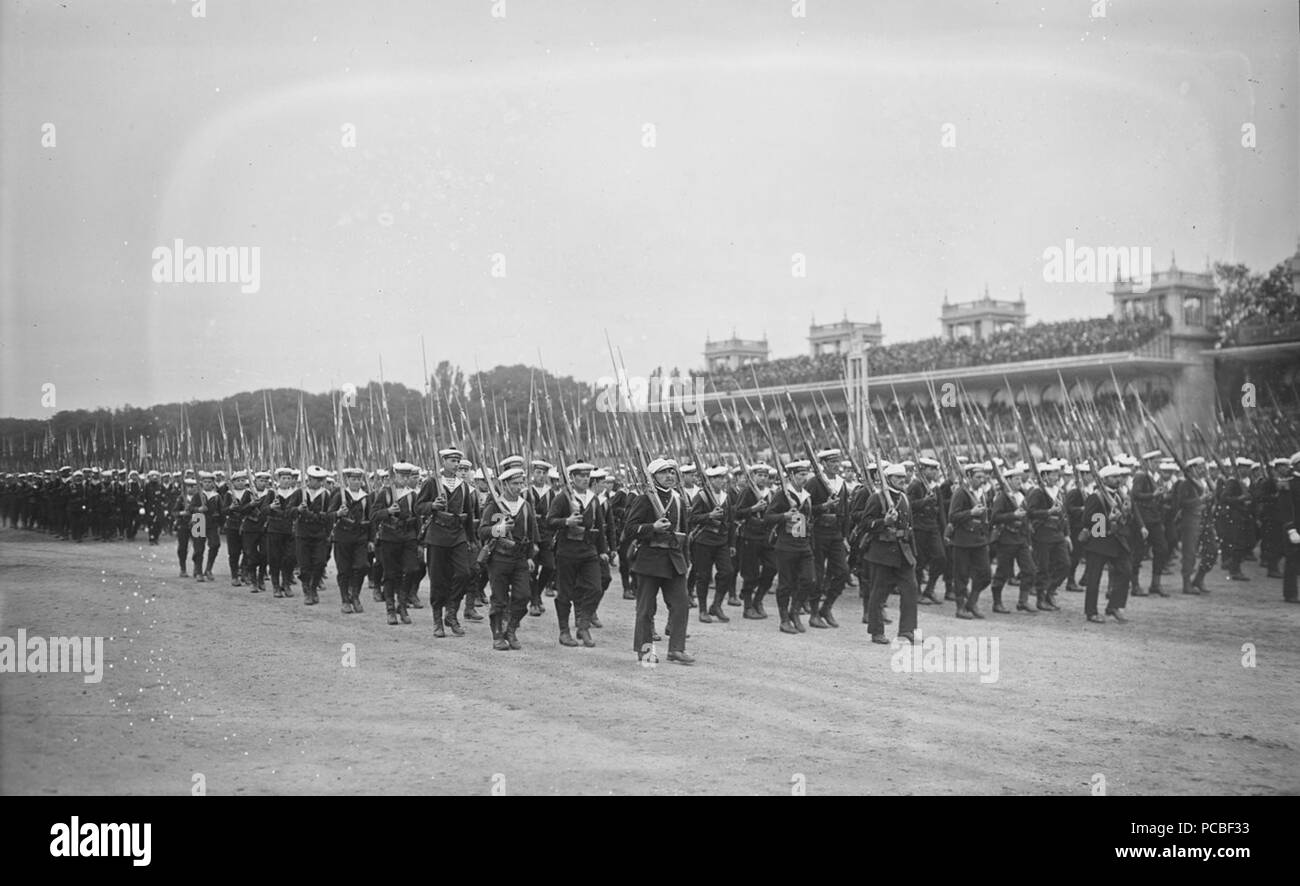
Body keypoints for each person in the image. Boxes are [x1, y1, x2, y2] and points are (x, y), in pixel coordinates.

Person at [625, 458, 694, 665]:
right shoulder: (644, 499)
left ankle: (676, 649)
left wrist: (687, 560)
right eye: (664, 473)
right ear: (653, 477)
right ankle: (645, 652)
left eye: (672, 472)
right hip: (650, 560)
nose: (669, 476)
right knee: (646, 609)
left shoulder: (678, 499)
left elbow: (685, 533)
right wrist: (652, 527)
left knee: (681, 605)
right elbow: (629, 529)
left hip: (674, 559)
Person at [547, 462, 608, 648]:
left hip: (588, 550)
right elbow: (550, 521)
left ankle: (583, 625)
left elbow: (600, 526)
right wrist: (567, 521)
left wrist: (603, 550)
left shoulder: (593, 499)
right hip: (567, 550)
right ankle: (564, 631)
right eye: (580, 476)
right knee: (565, 592)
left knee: (596, 588)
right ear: (572, 478)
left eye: (587, 476)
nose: (584, 479)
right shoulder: (562, 498)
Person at [856, 462, 918, 644]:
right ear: (888, 479)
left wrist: (914, 554)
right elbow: (865, 524)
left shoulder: (904, 498)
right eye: (897, 477)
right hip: (882, 552)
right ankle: (876, 631)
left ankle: (907, 630)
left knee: (911, 589)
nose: (901, 480)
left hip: (903, 552)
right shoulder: (877, 498)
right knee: (878, 593)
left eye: (903, 477)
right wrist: (884, 521)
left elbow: (910, 528)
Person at [479, 466, 540, 650]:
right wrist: (500, 529)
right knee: (499, 599)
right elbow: (482, 531)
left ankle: (511, 628)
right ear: (504, 484)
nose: (518, 487)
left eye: (521, 483)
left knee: (524, 596)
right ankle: (498, 635)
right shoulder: (495, 505)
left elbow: (532, 534)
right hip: (499, 558)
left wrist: (530, 556)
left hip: (520, 558)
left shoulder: (526, 506)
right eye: (514, 483)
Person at [417, 449, 477, 636]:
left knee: (464, 574)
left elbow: (469, 513)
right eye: (452, 460)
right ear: (443, 462)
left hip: (458, 534)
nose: (456, 464)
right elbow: (418, 506)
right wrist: (432, 506)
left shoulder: (463, 485)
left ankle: (451, 612)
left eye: (458, 460)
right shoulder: (432, 483)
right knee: (438, 579)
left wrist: (472, 539)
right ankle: (437, 620)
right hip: (437, 535)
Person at [1081, 464, 1147, 623]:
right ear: (1104, 479)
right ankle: (1091, 612)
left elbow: (1126, 520)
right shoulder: (1096, 497)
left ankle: (1114, 606)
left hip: (1117, 541)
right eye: (1114, 477)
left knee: (1126, 571)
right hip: (1099, 541)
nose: (1118, 480)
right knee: (1094, 579)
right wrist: (1107, 520)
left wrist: (1127, 515)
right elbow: (1087, 520)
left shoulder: (1121, 496)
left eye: (1119, 477)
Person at [765, 460, 817, 635]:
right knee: (786, 584)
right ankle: (784, 619)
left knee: (808, 580)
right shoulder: (782, 495)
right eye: (801, 475)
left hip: (803, 543)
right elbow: (768, 517)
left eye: (806, 474)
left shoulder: (807, 496)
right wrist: (784, 515)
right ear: (792, 476)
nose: (804, 478)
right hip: (786, 544)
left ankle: (795, 611)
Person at [805, 449, 850, 628]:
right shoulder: (814, 483)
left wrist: (845, 536)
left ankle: (827, 607)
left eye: (837, 462)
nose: (836, 465)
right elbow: (804, 509)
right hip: (818, 532)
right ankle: (814, 613)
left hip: (836, 534)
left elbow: (845, 511)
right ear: (823, 464)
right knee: (817, 574)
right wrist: (823, 506)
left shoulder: (841, 483)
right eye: (832, 462)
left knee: (843, 572)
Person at [373, 462, 422, 625]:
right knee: (390, 574)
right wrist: (387, 511)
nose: (405, 479)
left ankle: (402, 604)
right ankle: (390, 609)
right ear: (395, 476)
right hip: (389, 537)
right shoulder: (385, 493)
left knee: (411, 569)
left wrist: (419, 541)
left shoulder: (413, 495)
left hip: (408, 537)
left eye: (407, 476)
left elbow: (417, 518)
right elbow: (374, 515)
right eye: (402, 476)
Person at [688, 465, 737, 624]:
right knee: (703, 576)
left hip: (721, 540)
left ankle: (716, 605)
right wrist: (709, 515)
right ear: (710, 480)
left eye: (723, 478)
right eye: (717, 478)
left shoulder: (726, 496)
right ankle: (703, 609)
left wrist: (731, 544)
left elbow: (730, 521)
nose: (722, 481)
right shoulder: (701, 496)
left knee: (728, 572)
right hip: (704, 540)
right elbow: (692, 518)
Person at [988, 466, 1037, 614]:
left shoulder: (1022, 495)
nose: (1019, 481)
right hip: (1006, 538)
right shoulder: (1003, 497)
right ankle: (997, 603)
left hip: (1020, 538)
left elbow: (1026, 520)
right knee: (1002, 572)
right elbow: (994, 518)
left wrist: (1028, 541)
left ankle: (1023, 601)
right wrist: (1013, 515)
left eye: (1020, 478)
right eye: (1015, 479)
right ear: (1007, 480)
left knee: (1029, 570)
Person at [949, 462, 993, 619]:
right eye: (977, 477)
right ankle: (960, 607)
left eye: (983, 476)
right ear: (968, 477)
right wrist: (971, 512)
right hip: (963, 540)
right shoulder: (961, 492)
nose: (981, 479)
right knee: (961, 575)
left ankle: (972, 602)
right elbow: (953, 516)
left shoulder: (982, 493)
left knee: (986, 575)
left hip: (979, 540)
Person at [1024, 462, 1067, 611]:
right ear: (1044, 476)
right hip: (1042, 533)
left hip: (1057, 533)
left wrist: (1066, 534)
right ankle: (1041, 599)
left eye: (1057, 474)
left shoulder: (1058, 491)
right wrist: (1048, 512)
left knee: (1065, 564)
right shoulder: (1038, 492)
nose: (1056, 477)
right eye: (1053, 474)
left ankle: (1050, 591)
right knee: (1043, 567)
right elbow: (1030, 512)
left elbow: (1064, 514)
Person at [329, 467, 372, 614]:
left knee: (362, 566)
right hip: (343, 536)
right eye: (353, 479)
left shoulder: (366, 497)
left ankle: (355, 595)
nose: (356, 482)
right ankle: (345, 600)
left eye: (359, 479)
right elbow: (329, 514)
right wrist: (338, 513)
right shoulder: (340, 495)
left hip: (360, 537)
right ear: (347, 480)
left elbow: (370, 518)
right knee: (344, 569)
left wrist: (371, 539)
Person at [1131, 450, 1171, 596]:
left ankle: (1156, 584)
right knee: (1138, 552)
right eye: (1155, 462)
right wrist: (1152, 495)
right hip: (1142, 519)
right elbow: (1135, 495)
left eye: (1158, 462)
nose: (1157, 465)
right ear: (1147, 462)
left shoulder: (1153, 477)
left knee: (1162, 548)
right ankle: (1134, 585)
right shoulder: (1141, 476)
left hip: (1154, 519)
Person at [291, 465, 332, 604]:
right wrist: (297, 509)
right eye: (316, 479)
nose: (319, 483)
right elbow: (289, 511)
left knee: (320, 562)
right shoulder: (299, 493)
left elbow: (329, 514)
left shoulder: (326, 494)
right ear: (309, 479)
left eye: (321, 480)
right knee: (304, 564)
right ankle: (307, 590)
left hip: (319, 534)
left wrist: (328, 531)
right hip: (303, 534)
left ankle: (314, 586)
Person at [908, 457, 946, 606]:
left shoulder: (935, 487)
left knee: (941, 558)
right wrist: (924, 501)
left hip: (933, 527)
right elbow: (908, 505)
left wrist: (945, 530)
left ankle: (930, 588)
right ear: (922, 470)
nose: (934, 472)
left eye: (935, 469)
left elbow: (941, 510)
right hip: (919, 527)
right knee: (920, 561)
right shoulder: (915, 485)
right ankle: (917, 592)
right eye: (931, 469)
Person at [265, 468, 298, 598]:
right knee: (274, 558)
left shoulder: (295, 493)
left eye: (289, 478)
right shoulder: (272, 493)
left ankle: (286, 583)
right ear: (278, 480)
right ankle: (276, 586)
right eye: (283, 478)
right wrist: (271, 507)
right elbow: (263, 510)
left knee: (290, 557)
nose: (286, 481)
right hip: (275, 528)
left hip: (290, 529)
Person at [189, 471, 224, 582]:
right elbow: (190, 509)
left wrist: (222, 524)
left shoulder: (217, 496)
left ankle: (208, 569)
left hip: (212, 523)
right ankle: (198, 571)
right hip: (198, 521)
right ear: (201, 483)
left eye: (210, 482)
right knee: (199, 548)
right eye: (205, 482)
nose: (208, 484)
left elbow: (221, 511)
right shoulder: (197, 495)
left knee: (215, 544)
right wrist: (198, 509)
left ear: (213, 483)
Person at [222, 471, 253, 586]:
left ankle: (245, 573)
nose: (241, 483)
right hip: (232, 525)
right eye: (238, 480)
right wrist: (230, 508)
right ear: (233, 482)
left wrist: (251, 505)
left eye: (242, 480)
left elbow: (253, 509)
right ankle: (234, 575)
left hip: (246, 525)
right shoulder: (229, 494)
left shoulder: (250, 493)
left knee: (248, 550)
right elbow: (223, 510)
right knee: (234, 552)